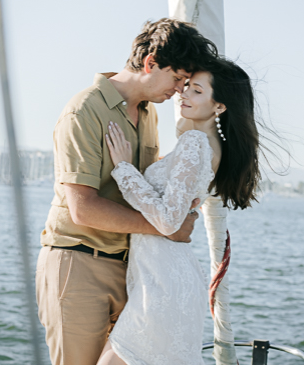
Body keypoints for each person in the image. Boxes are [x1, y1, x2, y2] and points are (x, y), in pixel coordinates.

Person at [35, 19, 219, 366]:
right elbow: (83, 209)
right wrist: (169, 227)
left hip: (133, 268)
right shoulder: (84, 110)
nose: (180, 89)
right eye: (178, 78)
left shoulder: (149, 116)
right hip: (79, 261)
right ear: (150, 63)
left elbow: (146, 188)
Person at [96, 56, 261, 366]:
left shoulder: (195, 142)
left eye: (197, 91)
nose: (183, 94)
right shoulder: (208, 144)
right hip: (162, 277)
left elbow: (170, 220)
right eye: (185, 87)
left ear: (219, 106)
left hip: (164, 282)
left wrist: (123, 168)